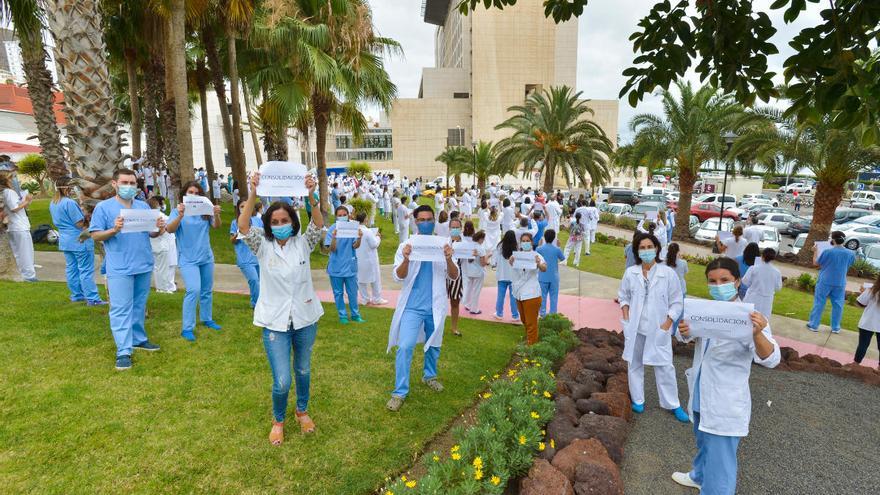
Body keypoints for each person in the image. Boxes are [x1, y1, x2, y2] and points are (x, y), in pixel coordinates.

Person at [672, 257, 780, 494]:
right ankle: (698, 475)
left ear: (738, 281)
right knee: (703, 442)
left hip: (725, 401)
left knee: (721, 462)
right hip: (701, 392)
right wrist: (684, 331)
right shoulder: (704, 311)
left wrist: (757, 334)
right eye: (712, 281)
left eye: (724, 280)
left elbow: (771, 358)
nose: (718, 285)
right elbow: (686, 337)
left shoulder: (751, 318)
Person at [237, 172, 324, 444]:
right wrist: (252, 192)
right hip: (275, 321)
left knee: (303, 370)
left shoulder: (303, 244)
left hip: (305, 318)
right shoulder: (262, 246)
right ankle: (278, 420)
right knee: (282, 380)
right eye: (275, 222)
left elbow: (318, 225)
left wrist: (312, 195)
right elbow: (242, 227)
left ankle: (302, 411)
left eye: (285, 221)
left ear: (293, 222)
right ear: (269, 225)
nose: (280, 225)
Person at [89, 168, 166, 370]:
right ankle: (123, 350)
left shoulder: (142, 206)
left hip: (143, 263)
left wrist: (159, 228)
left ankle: (138, 339)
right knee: (121, 309)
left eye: (133, 183)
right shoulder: (104, 208)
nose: (129, 187)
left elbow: (151, 234)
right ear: (114, 184)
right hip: (120, 266)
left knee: (139, 305)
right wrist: (114, 230)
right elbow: (96, 235)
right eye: (125, 183)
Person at [386, 204, 459, 412]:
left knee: (434, 344)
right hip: (412, 307)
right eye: (422, 220)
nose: (426, 223)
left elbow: (453, 275)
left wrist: (448, 257)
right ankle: (399, 392)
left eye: (429, 219)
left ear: (434, 220)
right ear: (415, 222)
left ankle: (430, 376)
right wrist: (407, 259)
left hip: (435, 305)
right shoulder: (406, 245)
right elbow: (398, 276)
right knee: (405, 346)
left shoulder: (443, 244)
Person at [617, 232, 689, 422]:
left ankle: (673, 403)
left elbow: (677, 302)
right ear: (637, 251)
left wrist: (667, 323)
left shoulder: (668, 274)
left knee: (665, 366)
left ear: (657, 248)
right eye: (642, 248)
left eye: (650, 247)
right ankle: (638, 400)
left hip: (659, 328)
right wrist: (626, 316)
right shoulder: (630, 273)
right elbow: (623, 296)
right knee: (634, 364)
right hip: (635, 327)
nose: (646, 250)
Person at [166, 181, 223, 341]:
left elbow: (217, 226)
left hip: (206, 257)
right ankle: (187, 328)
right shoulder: (177, 210)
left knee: (206, 290)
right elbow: (169, 229)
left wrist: (216, 213)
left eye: (197, 193)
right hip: (188, 259)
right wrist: (180, 216)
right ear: (184, 195)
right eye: (190, 192)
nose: (194, 195)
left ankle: (207, 319)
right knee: (193, 290)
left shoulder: (205, 210)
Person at [50, 178, 105, 304]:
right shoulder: (69, 203)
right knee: (85, 270)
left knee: (72, 269)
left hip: (65, 241)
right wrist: (88, 217)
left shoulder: (53, 202)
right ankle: (93, 299)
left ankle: (77, 295)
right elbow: (80, 224)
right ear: (66, 188)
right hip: (79, 240)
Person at [807, 231, 855, 333]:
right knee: (838, 305)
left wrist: (815, 251)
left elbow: (816, 263)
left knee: (819, 302)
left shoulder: (828, 252)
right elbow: (849, 264)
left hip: (825, 281)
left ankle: (813, 325)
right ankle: (836, 327)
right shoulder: (850, 253)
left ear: (833, 240)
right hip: (840, 282)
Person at [324, 205, 364, 324]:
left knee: (352, 292)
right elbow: (331, 249)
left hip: (350, 265)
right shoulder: (332, 229)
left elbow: (355, 246)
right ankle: (343, 316)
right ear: (336, 217)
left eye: (344, 215)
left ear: (348, 215)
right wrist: (335, 238)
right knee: (338, 293)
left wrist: (360, 238)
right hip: (336, 266)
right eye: (339, 215)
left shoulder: (352, 228)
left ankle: (355, 315)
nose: (342, 217)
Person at [506, 232, 547, 344]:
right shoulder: (516, 256)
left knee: (531, 323)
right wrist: (511, 262)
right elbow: (513, 269)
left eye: (527, 241)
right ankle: (530, 341)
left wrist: (538, 264)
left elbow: (544, 268)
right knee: (524, 320)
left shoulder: (537, 255)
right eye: (523, 241)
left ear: (531, 242)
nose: (525, 243)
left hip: (532, 293)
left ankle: (531, 347)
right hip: (519, 293)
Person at [1, 173, 36, 281]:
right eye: (11, 179)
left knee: (18, 253)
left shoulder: (4, 193)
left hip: (12, 226)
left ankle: (23, 274)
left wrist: (24, 202)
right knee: (26, 252)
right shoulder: (9, 192)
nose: (13, 181)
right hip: (19, 226)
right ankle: (29, 276)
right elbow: (14, 208)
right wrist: (27, 201)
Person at [230, 198, 263, 308]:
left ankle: (260, 302)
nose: (244, 209)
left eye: (246, 206)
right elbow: (232, 241)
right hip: (245, 259)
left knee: (261, 283)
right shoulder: (235, 222)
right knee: (254, 280)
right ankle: (256, 305)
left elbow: (264, 235)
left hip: (259, 257)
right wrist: (239, 233)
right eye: (241, 207)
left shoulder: (257, 220)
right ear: (238, 209)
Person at [356, 211, 386, 305]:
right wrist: (378, 237)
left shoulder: (355, 230)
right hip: (370, 259)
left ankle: (365, 298)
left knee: (360, 279)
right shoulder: (367, 231)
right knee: (375, 279)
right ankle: (377, 298)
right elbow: (374, 244)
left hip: (358, 258)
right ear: (365, 219)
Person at [148, 196, 177, 293]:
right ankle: (165, 288)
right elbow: (167, 227)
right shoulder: (160, 216)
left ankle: (162, 287)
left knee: (158, 268)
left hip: (155, 245)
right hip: (163, 244)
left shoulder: (149, 216)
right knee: (165, 268)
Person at [742, 248, 782, 319]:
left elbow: (745, 281)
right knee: (762, 320)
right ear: (773, 258)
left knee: (748, 318)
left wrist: (753, 285)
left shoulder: (753, 268)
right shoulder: (777, 272)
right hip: (766, 300)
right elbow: (778, 287)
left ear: (762, 256)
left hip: (752, 297)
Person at [537, 229, 565, 317]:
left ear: (544, 237)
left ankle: (542, 313)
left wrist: (539, 245)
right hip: (554, 277)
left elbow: (536, 255)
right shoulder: (557, 250)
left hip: (543, 276)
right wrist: (559, 247)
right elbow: (563, 258)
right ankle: (553, 314)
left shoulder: (540, 249)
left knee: (542, 296)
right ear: (554, 238)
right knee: (554, 297)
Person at [461, 230, 490, 314]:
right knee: (475, 291)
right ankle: (474, 309)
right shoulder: (481, 248)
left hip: (469, 271)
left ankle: (467, 304)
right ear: (480, 239)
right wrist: (488, 256)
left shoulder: (469, 246)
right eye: (483, 239)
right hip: (478, 272)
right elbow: (483, 263)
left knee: (469, 289)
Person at [854, 274, 880, 366]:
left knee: (863, 345)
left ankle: (855, 365)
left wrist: (863, 292)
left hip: (867, 322)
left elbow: (860, 303)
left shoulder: (872, 290)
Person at [494, 230, 520, 322]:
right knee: (513, 297)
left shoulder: (499, 247)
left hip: (501, 275)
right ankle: (515, 315)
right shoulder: (516, 248)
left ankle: (499, 313)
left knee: (500, 295)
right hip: (513, 276)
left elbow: (494, 261)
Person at [446, 217, 465, 336]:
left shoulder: (465, 244)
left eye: (457, 227)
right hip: (443, 274)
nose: (455, 229)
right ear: (449, 228)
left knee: (455, 302)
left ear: (461, 229)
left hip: (457, 276)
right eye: (453, 227)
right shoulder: (444, 242)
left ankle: (454, 327)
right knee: (439, 301)